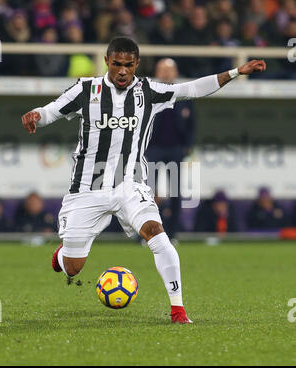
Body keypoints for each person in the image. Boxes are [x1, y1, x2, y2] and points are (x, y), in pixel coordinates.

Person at [21, 36, 266, 324]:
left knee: (156, 233)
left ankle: (178, 310)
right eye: (116, 65)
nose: (122, 71)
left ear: (136, 64)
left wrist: (236, 72)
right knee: (73, 268)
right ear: (106, 62)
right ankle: (63, 255)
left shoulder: (148, 91)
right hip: (87, 189)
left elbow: (192, 89)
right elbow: (53, 110)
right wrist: (37, 114)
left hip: (130, 184)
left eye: (128, 65)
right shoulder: (86, 89)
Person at [146, 58, 196, 241]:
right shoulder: (149, 94)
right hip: (154, 149)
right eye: (162, 70)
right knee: (147, 194)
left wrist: (187, 146)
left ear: (175, 73)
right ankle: (147, 235)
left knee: (175, 193)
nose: (166, 73)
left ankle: (172, 234)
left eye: (169, 70)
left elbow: (192, 124)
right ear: (157, 72)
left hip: (175, 150)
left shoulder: (184, 95)